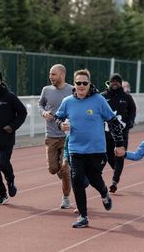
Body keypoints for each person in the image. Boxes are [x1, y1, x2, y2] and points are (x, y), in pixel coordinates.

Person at [54, 69, 125, 228]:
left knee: (94, 179)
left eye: (84, 83)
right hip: (75, 149)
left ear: (89, 84)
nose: (81, 86)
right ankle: (83, 216)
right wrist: (61, 125)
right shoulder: (68, 101)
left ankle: (104, 192)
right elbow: (57, 118)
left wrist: (119, 144)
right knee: (77, 179)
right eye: (78, 83)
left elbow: (113, 122)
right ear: (74, 84)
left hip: (96, 150)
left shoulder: (99, 100)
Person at [38, 64, 73, 209]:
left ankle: (65, 198)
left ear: (62, 75)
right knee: (53, 169)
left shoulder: (72, 90)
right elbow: (40, 105)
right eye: (50, 74)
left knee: (65, 169)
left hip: (66, 137)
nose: (50, 77)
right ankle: (65, 174)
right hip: (51, 136)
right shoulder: (46, 90)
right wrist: (43, 113)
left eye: (53, 74)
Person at [101, 73, 136, 193]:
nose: (115, 83)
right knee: (110, 157)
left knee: (120, 156)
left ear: (121, 83)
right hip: (106, 134)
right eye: (112, 81)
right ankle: (116, 171)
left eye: (117, 81)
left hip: (122, 133)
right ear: (109, 82)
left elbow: (132, 111)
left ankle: (114, 181)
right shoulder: (103, 96)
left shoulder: (127, 97)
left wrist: (130, 122)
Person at [0, 68, 27, 204]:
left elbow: (22, 113)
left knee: (3, 163)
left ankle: (10, 179)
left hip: (6, 138)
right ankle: (1, 194)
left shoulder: (10, 97)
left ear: (0, 80)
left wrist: (12, 126)